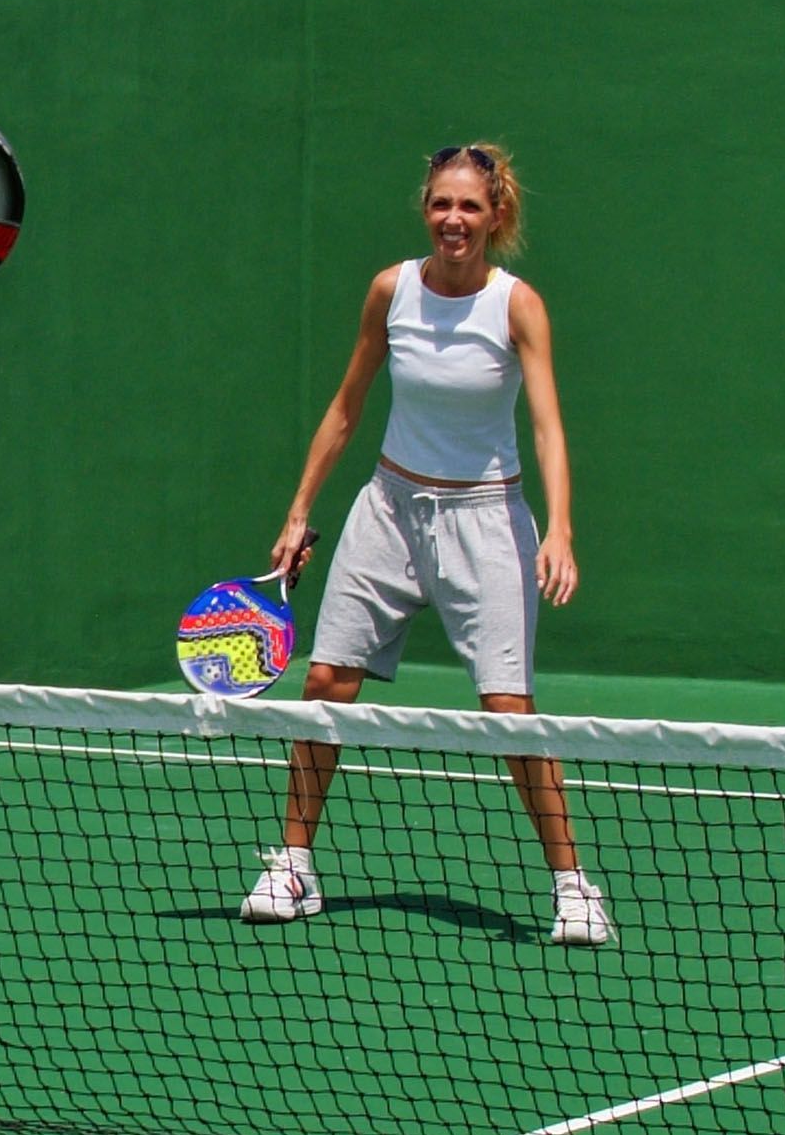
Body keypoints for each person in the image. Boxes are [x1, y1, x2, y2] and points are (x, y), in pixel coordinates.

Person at [242, 142, 607, 946]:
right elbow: (345, 408)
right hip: (389, 507)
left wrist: (560, 530)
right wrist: (300, 512)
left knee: (507, 709)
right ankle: (294, 866)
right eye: (441, 204)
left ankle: (574, 885)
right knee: (327, 685)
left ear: (495, 216)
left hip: (487, 517)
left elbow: (546, 427)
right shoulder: (391, 291)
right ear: (425, 208)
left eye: (469, 207)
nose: (452, 220)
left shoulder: (516, 305)